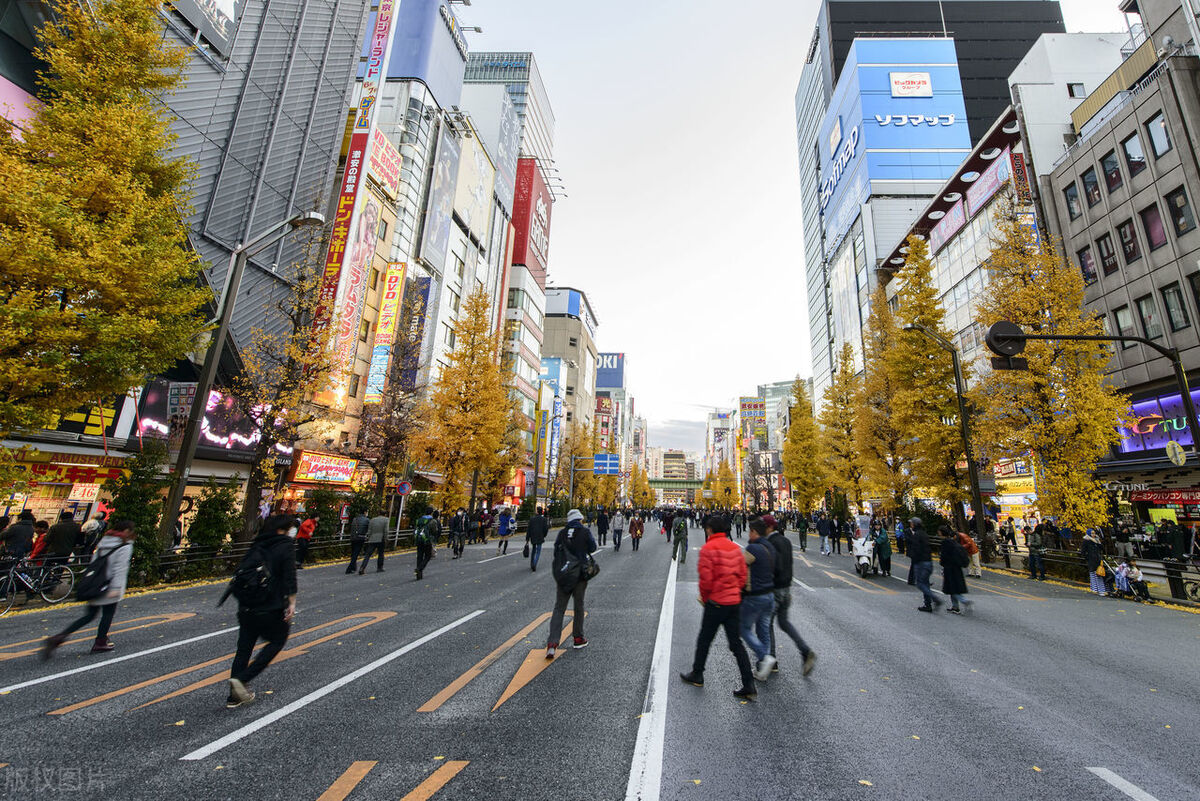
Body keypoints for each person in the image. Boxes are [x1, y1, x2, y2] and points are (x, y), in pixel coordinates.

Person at [678, 515, 757, 700]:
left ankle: (697, 673)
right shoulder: (734, 548)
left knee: (705, 639)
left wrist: (706, 598)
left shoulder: (708, 548)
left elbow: (705, 580)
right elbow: (742, 574)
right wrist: (735, 590)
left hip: (715, 602)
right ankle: (749, 684)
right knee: (736, 644)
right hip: (733, 602)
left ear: (710, 530)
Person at [223, 514, 298, 708]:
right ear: (283, 529)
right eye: (290, 528)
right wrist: (291, 602)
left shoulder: (258, 543)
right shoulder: (285, 545)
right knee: (278, 640)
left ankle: (234, 696)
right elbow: (289, 576)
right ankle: (242, 679)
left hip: (247, 604)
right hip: (270, 605)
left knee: (244, 648)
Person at [40, 520, 136, 658]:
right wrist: (116, 588)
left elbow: (93, 561)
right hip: (108, 584)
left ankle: (59, 638)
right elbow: (120, 568)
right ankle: (100, 641)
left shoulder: (105, 541)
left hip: (95, 582)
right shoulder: (125, 545)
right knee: (108, 614)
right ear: (126, 531)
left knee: (89, 615)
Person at [764, 514, 816, 677]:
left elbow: (774, 566)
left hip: (775, 589)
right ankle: (805, 650)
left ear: (770, 527)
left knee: (766, 624)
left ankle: (771, 658)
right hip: (786, 588)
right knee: (784, 622)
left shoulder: (770, 543)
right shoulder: (785, 541)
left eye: (763, 527)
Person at [546, 509, 597, 657]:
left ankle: (552, 644)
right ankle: (578, 638)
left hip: (564, 575)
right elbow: (593, 548)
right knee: (578, 606)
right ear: (580, 519)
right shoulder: (585, 532)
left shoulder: (562, 533)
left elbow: (556, 552)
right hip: (580, 574)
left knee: (559, 608)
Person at [741, 518, 777, 679]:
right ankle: (763, 668)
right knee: (763, 630)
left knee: (743, 628)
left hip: (756, 594)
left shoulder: (753, 548)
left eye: (750, 531)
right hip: (770, 594)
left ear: (755, 532)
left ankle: (764, 657)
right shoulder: (770, 546)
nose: (749, 534)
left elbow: (740, 567)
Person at [908, 517, 940, 612]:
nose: (911, 525)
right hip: (928, 561)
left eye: (912, 524)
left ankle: (935, 599)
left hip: (921, 562)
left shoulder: (917, 535)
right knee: (925, 583)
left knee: (920, 584)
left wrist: (914, 557)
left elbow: (917, 549)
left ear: (915, 524)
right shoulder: (924, 534)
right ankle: (928, 604)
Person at [939, 524, 972, 614]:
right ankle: (955, 607)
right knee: (954, 587)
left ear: (941, 533)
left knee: (952, 587)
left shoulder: (945, 543)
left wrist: (942, 564)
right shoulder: (953, 541)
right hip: (956, 567)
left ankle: (964, 601)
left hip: (949, 568)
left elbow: (944, 556)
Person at [359, 509, 388, 574]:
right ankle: (379, 568)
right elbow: (386, 530)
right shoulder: (386, 520)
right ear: (385, 514)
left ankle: (362, 567)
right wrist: (386, 538)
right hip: (381, 539)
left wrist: (368, 538)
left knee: (368, 555)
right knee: (381, 554)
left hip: (372, 539)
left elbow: (369, 530)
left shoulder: (372, 520)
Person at [416, 509, 440, 580]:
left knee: (419, 555)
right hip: (427, 540)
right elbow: (435, 531)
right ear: (432, 513)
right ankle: (420, 568)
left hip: (419, 539)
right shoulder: (432, 521)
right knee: (428, 555)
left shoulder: (420, 519)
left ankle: (419, 574)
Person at [1081, 528, 1106, 596]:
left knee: (1099, 574)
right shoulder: (1086, 541)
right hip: (1091, 559)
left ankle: (1099, 590)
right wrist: (1087, 558)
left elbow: (1102, 548)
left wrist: (1098, 543)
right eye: (1092, 533)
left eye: (1094, 533)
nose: (1093, 535)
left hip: (1098, 559)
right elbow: (1083, 551)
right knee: (1094, 573)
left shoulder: (1097, 540)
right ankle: (1095, 589)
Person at [346, 509, 369, 574]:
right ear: (365, 512)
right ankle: (349, 568)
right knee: (356, 553)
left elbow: (352, 528)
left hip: (353, 537)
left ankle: (354, 567)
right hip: (361, 537)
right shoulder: (366, 520)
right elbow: (368, 529)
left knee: (353, 552)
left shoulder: (355, 519)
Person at [526, 506, 549, 570]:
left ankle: (532, 562)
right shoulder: (544, 519)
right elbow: (546, 529)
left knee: (533, 550)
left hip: (533, 536)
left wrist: (527, 538)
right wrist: (544, 535)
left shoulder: (532, 519)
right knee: (538, 551)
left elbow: (529, 529)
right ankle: (535, 563)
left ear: (537, 511)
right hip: (540, 536)